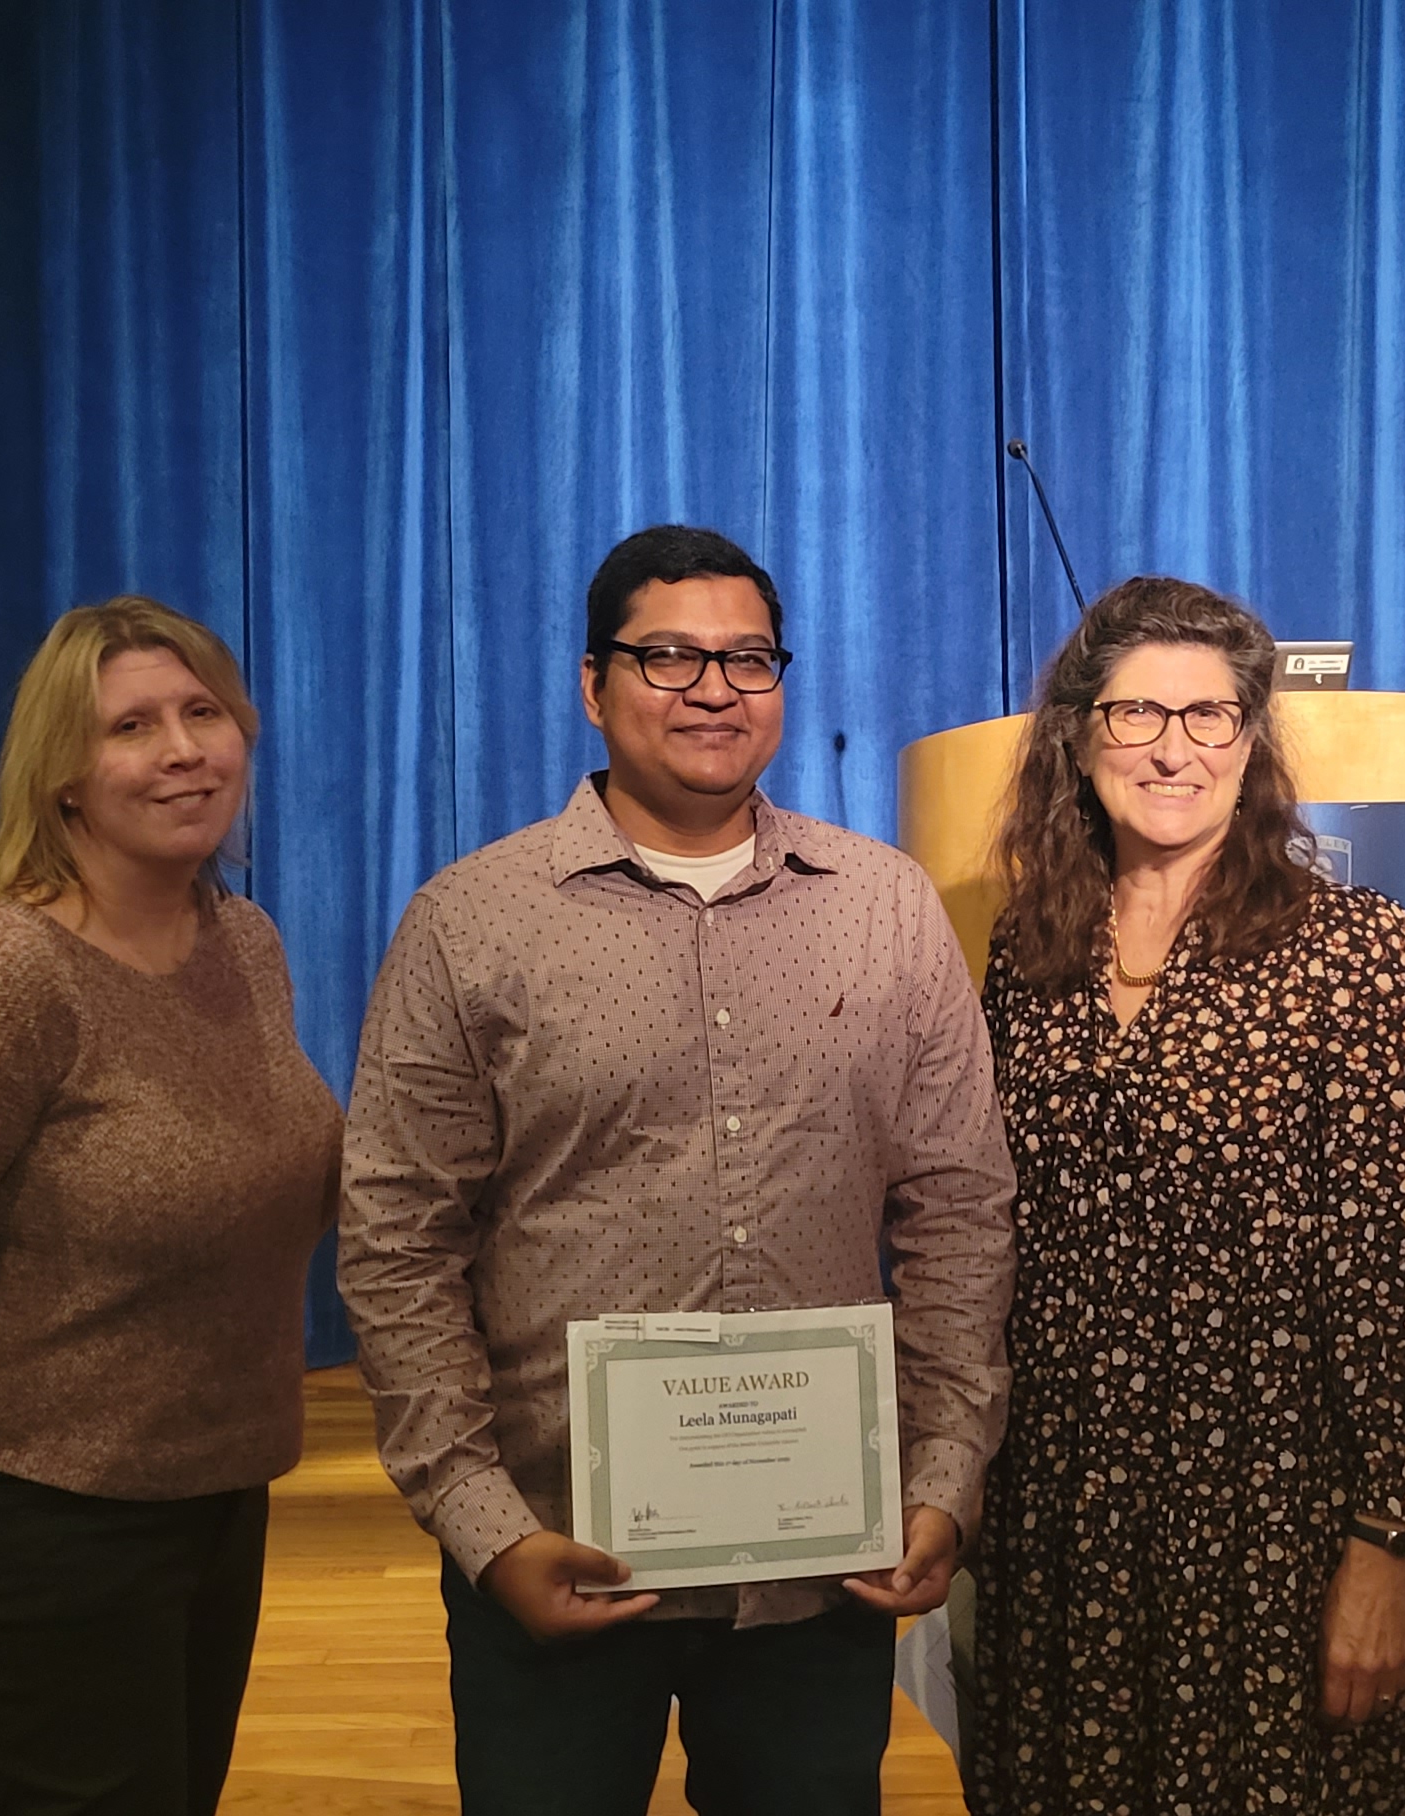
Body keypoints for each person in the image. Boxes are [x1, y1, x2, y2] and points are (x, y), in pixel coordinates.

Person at [337, 524, 1017, 1816]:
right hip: (558, 1553)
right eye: (670, 658)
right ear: (593, 687)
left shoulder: (882, 907)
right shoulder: (470, 922)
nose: (715, 688)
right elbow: (395, 1241)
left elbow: (960, 1211)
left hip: (823, 1566)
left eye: (748, 658)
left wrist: (942, 1475)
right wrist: (484, 1525)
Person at [0, 598, 341, 1816]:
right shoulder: (1, 979)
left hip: (210, 1500)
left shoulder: (239, 941)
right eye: (132, 726)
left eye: (204, 712)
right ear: (62, 782)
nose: (183, 748)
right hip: (28, 1521)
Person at [958, 576, 1405, 1815]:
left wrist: (1384, 1541)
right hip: (1064, 1509)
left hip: (1270, 1517)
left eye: (1210, 715)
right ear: (1078, 735)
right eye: (1136, 714)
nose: (1173, 746)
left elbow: (1397, 1272)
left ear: (1251, 741)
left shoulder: (1355, 950)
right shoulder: (1027, 950)